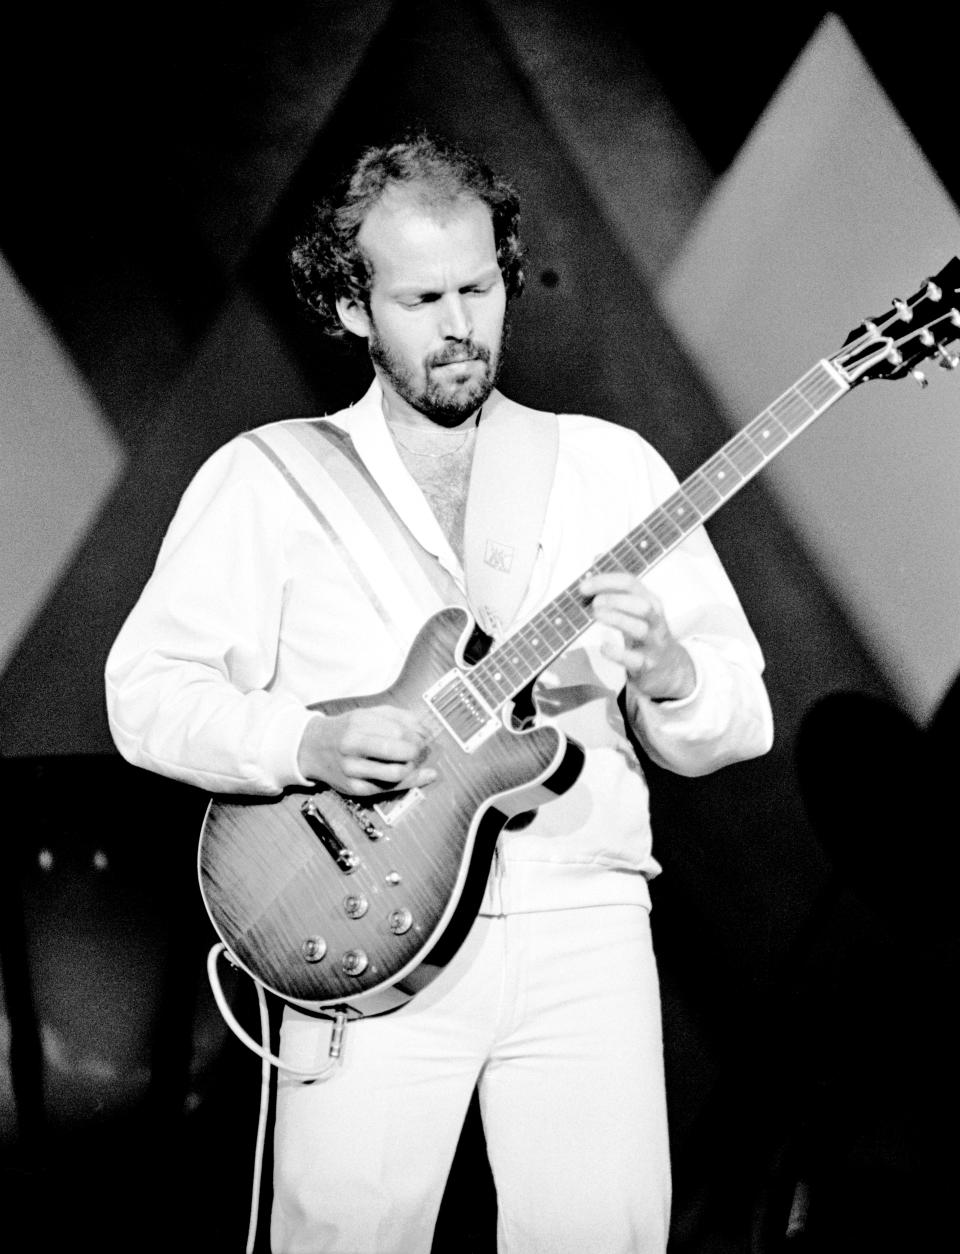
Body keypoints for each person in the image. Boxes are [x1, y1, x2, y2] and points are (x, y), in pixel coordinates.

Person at [105, 132, 774, 1254]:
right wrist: (302, 741)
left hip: (584, 917)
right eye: (422, 297)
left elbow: (737, 722)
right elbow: (146, 693)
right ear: (352, 308)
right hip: (360, 928)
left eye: (480, 285)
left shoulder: (607, 466)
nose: (461, 323)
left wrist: (671, 674)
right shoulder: (267, 475)